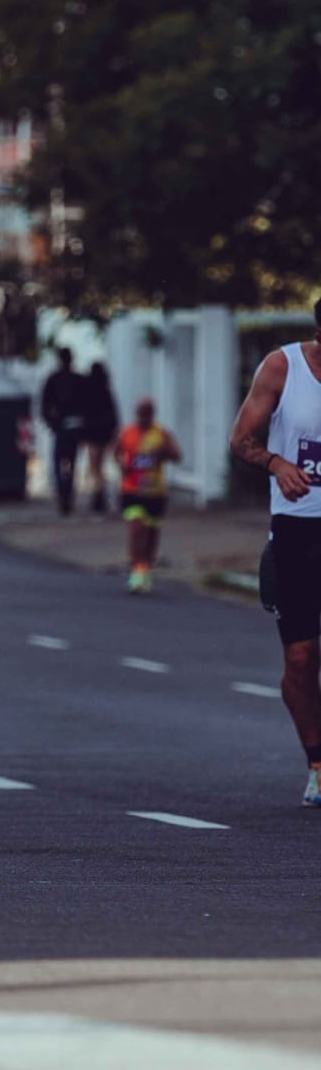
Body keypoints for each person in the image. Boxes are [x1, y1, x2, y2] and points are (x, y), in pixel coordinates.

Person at [229, 303, 321, 806]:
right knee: (303, 659)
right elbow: (240, 439)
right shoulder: (283, 366)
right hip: (298, 530)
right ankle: (317, 762)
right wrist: (276, 462)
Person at [114, 397, 182, 594]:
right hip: (132, 491)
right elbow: (116, 452)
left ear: (152, 413)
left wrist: (164, 452)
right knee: (137, 528)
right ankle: (137, 569)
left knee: (151, 536)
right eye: (141, 412)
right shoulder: (127, 433)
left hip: (155, 493)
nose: (144, 417)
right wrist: (122, 464)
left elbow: (177, 455)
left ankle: (146, 567)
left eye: (147, 413)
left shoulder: (161, 434)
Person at [41, 347, 87, 515]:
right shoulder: (79, 380)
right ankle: (68, 495)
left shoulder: (54, 380)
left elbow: (45, 404)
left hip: (61, 428)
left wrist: (51, 423)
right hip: (74, 427)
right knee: (72, 464)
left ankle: (63, 496)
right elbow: (86, 405)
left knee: (59, 463)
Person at [81, 363, 119, 513]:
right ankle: (100, 492)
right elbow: (113, 414)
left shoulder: (88, 391)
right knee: (99, 465)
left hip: (92, 433)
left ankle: (98, 493)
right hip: (103, 433)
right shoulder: (105, 391)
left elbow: (84, 414)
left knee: (94, 466)